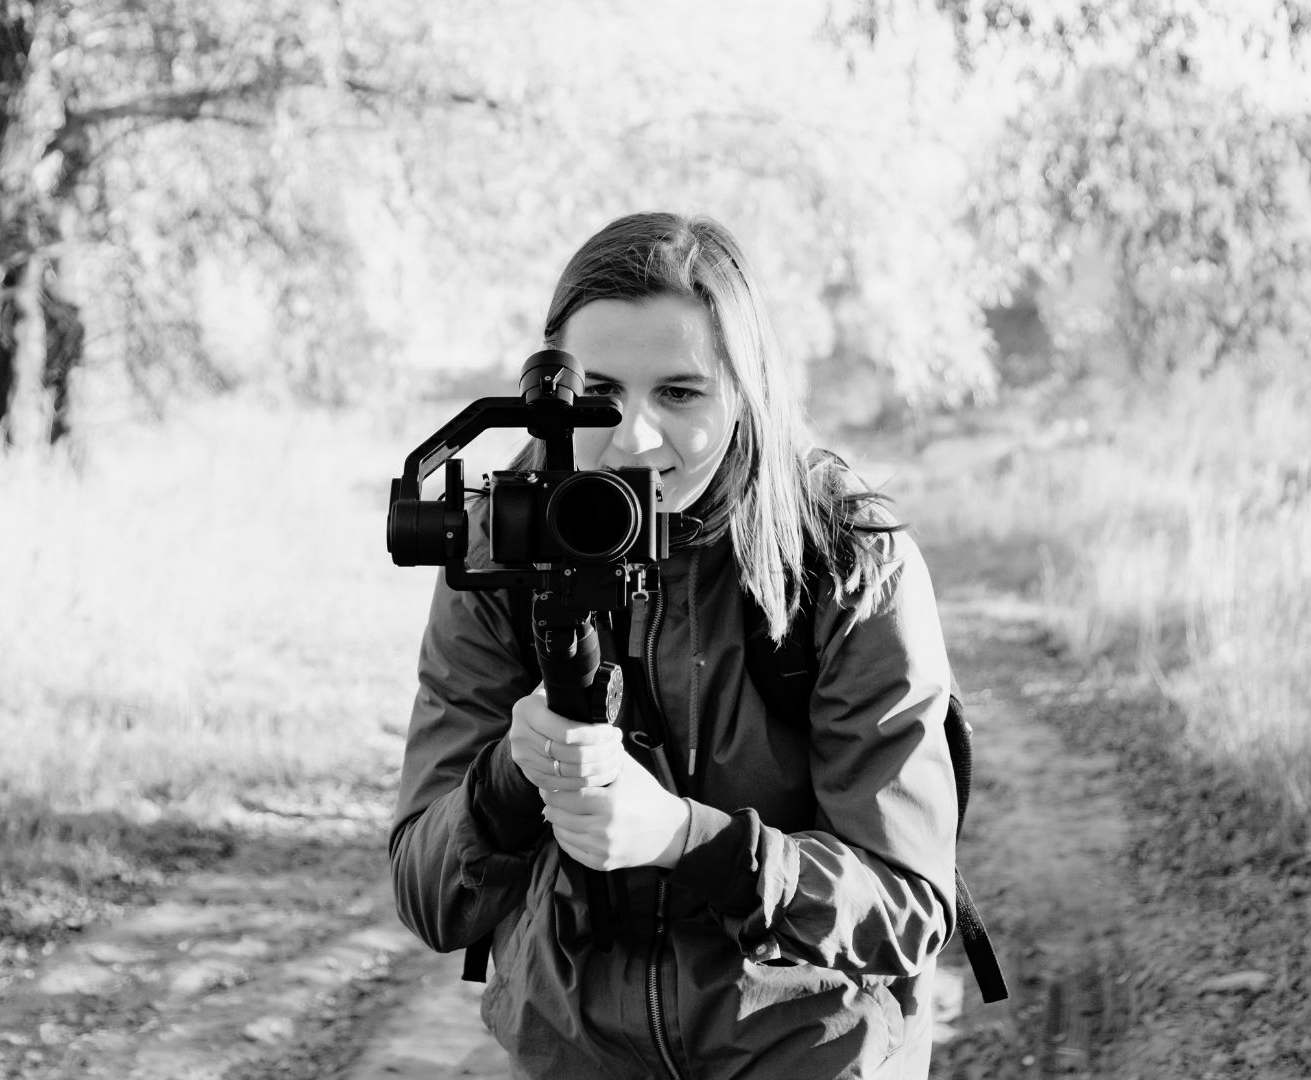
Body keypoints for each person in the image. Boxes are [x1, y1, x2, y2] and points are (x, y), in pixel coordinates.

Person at [389, 212, 958, 1079]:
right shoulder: (497, 548)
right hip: (574, 1050)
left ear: (745, 390)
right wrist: (512, 776)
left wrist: (688, 841)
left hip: (815, 1052)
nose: (634, 437)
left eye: (682, 393)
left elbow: (908, 907)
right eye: (601, 395)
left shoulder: (845, 560)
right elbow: (430, 898)